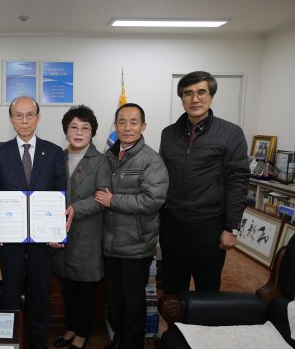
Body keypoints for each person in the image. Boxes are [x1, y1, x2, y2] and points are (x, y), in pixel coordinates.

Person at [159, 71, 250, 294]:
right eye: (188, 93)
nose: (195, 99)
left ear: (211, 96)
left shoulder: (231, 133)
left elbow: (238, 181)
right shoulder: (168, 134)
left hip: (209, 225)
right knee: (172, 288)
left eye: (201, 92)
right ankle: (176, 330)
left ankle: (204, 330)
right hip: (173, 224)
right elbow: (162, 177)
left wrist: (232, 227)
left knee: (207, 289)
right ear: (181, 98)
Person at [0, 96, 68, 349]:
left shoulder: (54, 152)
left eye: (30, 115)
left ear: (38, 118)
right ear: (11, 119)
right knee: (10, 296)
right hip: (10, 241)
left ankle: (37, 345)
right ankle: (10, 343)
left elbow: (60, 193)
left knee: (40, 298)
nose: (24, 120)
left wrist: (57, 231)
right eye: (19, 115)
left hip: (42, 242)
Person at [95, 103, 169, 349]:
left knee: (133, 302)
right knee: (114, 301)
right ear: (115, 126)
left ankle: (132, 345)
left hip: (136, 244)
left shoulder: (152, 160)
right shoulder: (107, 156)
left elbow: (153, 201)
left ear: (143, 126)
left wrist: (113, 200)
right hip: (109, 243)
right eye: (122, 122)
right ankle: (119, 341)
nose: (127, 127)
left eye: (134, 122)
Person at [52, 105, 110, 349]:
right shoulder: (57, 157)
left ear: (92, 132)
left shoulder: (101, 161)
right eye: (73, 127)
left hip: (87, 234)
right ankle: (71, 327)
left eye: (84, 128)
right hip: (59, 233)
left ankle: (82, 333)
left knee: (85, 289)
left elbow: (102, 197)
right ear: (66, 130)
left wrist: (75, 209)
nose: (78, 132)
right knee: (67, 285)